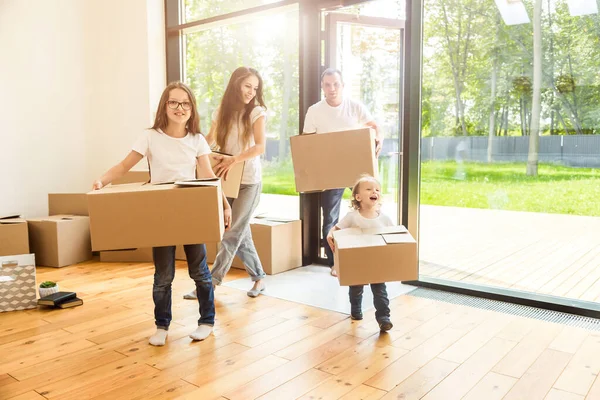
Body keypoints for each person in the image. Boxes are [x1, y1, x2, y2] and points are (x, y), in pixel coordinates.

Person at [92, 81, 232, 346]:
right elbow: (124, 166)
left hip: (191, 211)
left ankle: (206, 322)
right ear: (164, 106)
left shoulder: (197, 140)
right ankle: (162, 325)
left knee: (200, 272)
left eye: (185, 103)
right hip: (161, 213)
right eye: (174, 102)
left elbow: (209, 177)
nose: (180, 108)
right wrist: (102, 180)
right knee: (163, 276)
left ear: (191, 108)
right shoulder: (150, 136)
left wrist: (225, 205)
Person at [184, 66, 268, 299]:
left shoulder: (256, 112)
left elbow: (260, 147)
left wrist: (234, 159)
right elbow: (208, 139)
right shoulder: (222, 111)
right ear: (236, 84)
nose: (251, 92)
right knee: (239, 232)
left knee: (232, 233)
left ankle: (210, 284)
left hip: (249, 181)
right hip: (227, 180)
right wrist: (191, 150)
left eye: (255, 88)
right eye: (247, 86)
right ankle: (259, 277)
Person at [302, 68, 383, 276]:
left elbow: (374, 126)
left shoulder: (354, 107)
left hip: (357, 169)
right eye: (327, 84)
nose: (332, 88)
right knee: (330, 218)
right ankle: (335, 263)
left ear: (342, 85)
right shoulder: (314, 111)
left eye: (336, 84)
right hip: (331, 171)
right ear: (322, 87)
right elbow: (307, 143)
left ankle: (372, 256)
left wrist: (379, 138)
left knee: (370, 210)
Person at [327, 175, 394, 332]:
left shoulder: (384, 219)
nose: (374, 192)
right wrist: (330, 235)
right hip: (357, 262)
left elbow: (395, 235)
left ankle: (384, 317)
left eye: (377, 189)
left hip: (377, 263)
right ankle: (356, 309)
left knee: (380, 291)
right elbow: (336, 229)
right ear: (358, 197)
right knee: (356, 289)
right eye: (369, 189)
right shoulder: (352, 217)